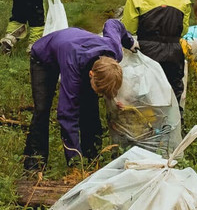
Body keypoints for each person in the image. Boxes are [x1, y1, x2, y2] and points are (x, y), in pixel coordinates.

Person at [23, 19, 133, 171]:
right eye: (99, 90)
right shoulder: (73, 68)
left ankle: (92, 157)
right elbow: (67, 115)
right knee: (42, 109)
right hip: (44, 57)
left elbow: (112, 23)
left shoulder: (115, 51)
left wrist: (129, 41)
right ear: (90, 74)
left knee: (89, 107)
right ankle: (35, 163)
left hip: (77, 46)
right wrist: (75, 163)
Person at [121, 0, 192, 108]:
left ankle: (151, 129)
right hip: (174, 52)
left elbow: (129, 28)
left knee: (148, 94)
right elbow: (184, 29)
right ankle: (175, 127)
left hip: (148, 52)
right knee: (173, 91)